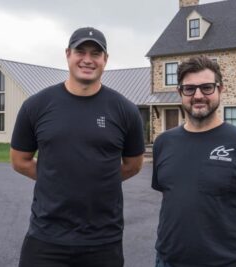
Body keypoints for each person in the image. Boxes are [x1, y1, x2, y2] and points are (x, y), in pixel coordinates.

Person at [10, 27, 145, 267]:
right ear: (67, 54)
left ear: (105, 59)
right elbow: (20, 160)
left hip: (103, 240)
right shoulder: (37, 105)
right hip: (46, 238)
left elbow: (133, 165)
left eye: (95, 53)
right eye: (80, 51)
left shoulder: (125, 110)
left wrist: (98, 179)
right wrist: (57, 179)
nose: (87, 59)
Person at [152, 56, 236, 267]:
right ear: (180, 93)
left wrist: (229, 247)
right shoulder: (164, 143)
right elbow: (173, 200)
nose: (198, 95)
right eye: (189, 89)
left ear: (220, 89)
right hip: (168, 261)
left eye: (207, 87)